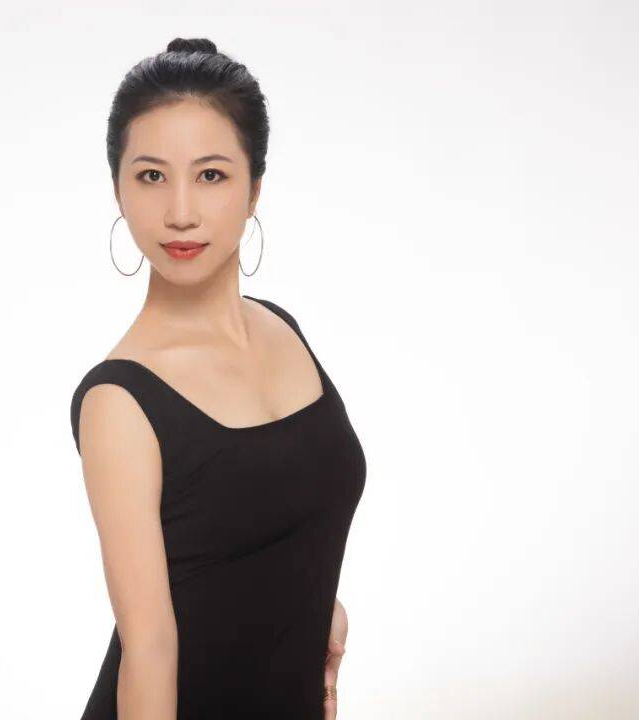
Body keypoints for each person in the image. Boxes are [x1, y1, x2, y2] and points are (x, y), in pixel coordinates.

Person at [69, 37, 367, 720]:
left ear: (254, 187)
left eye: (210, 175)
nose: (180, 211)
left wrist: (319, 609)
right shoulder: (120, 400)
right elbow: (150, 650)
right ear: (118, 188)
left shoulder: (282, 328)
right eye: (151, 176)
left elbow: (267, 518)